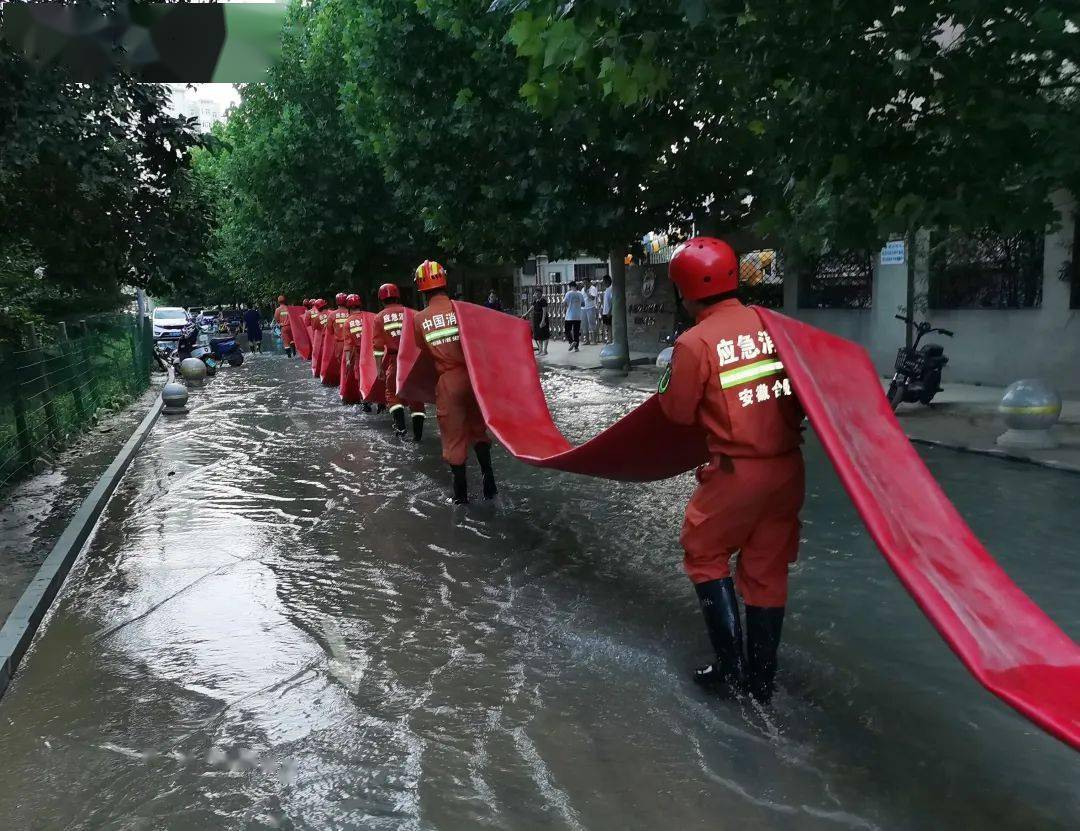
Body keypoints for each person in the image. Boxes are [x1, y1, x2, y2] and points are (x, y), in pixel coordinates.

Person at [657, 236, 805, 705]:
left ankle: (730, 666)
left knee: (703, 549)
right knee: (767, 567)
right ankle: (763, 678)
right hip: (787, 470)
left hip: (736, 472)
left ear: (686, 291)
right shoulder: (773, 326)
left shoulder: (694, 342)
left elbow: (678, 414)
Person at [412, 260, 496, 504]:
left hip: (448, 380)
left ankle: (461, 499)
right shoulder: (464, 310)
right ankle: (489, 482)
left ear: (421, 287)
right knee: (478, 429)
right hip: (474, 377)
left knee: (454, 436)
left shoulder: (420, 319)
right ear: (444, 281)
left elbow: (424, 351)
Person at [373, 282, 426, 440]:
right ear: (398, 296)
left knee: (392, 394)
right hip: (414, 361)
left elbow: (377, 347)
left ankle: (401, 429)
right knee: (416, 396)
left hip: (395, 360)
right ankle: (418, 436)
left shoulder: (379, 318)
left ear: (381, 299)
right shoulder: (413, 314)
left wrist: (379, 369)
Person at [340, 293, 366, 405]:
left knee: (360, 376)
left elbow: (348, 344)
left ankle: (365, 402)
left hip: (359, 354)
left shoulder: (348, 322)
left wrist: (347, 360)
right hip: (372, 353)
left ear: (348, 307)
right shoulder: (368, 318)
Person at [320, 292, 350, 386]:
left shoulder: (332, 315)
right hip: (352, 343)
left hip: (340, 344)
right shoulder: (351, 314)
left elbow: (330, 331)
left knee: (342, 364)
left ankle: (344, 384)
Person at [562, 281, 585, 351]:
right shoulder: (580, 294)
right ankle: (576, 347)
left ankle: (571, 342)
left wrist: (566, 307)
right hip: (578, 316)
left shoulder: (568, 293)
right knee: (576, 332)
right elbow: (583, 304)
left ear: (570, 286)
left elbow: (564, 303)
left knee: (567, 330)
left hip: (569, 316)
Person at [530, 287, 550, 355]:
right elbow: (532, 308)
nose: (536, 294)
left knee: (545, 334)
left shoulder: (543, 301)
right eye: (536, 293)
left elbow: (544, 311)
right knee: (538, 335)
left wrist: (543, 321)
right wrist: (526, 313)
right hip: (536, 319)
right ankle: (540, 350)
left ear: (541, 294)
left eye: (538, 293)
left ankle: (545, 350)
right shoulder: (535, 301)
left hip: (542, 318)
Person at [581, 278, 599, 345]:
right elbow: (582, 298)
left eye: (586, 282)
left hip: (591, 308)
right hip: (583, 309)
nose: (584, 284)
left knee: (592, 324)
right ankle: (587, 340)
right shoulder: (582, 289)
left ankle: (594, 340)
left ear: (589, 282)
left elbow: (592, 297)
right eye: (583, 283)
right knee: (585, 325)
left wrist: (586, 292)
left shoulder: (593, 288)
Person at [600, 275, 613, 344]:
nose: (603, 283)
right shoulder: (607, 289)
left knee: (610, 326)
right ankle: (608, 339)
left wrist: (609, 312)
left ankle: (610, 340)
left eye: (604, 281)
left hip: (609, 312)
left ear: (607, 281)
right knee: (607, 326)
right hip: (605, 311)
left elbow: (612, 301)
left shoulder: (611, 289)